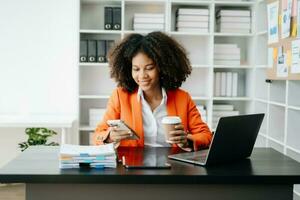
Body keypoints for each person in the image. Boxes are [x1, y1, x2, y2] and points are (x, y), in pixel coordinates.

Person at [93, 31, 212, 151]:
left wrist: (187, 141)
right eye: (136, 69)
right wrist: (109, 137)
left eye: (149, 68)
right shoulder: (120, 96)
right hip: (132, 166)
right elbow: (98, 135)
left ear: (162, 67)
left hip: (172, 165)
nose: (142, 75)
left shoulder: (182, 98)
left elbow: (206, 136)